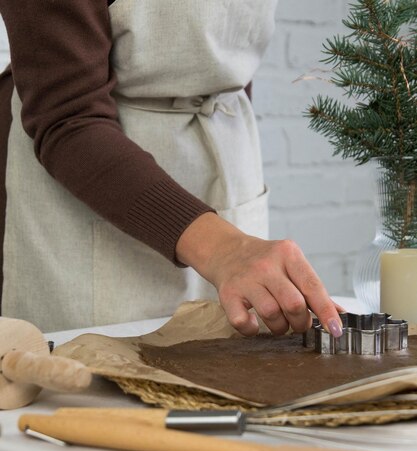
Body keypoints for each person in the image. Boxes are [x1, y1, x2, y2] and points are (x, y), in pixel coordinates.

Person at [0, 0, 343, 337]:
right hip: (92, 186)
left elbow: (222, 58)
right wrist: (226, 249)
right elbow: (68, 114)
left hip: (228, 171)